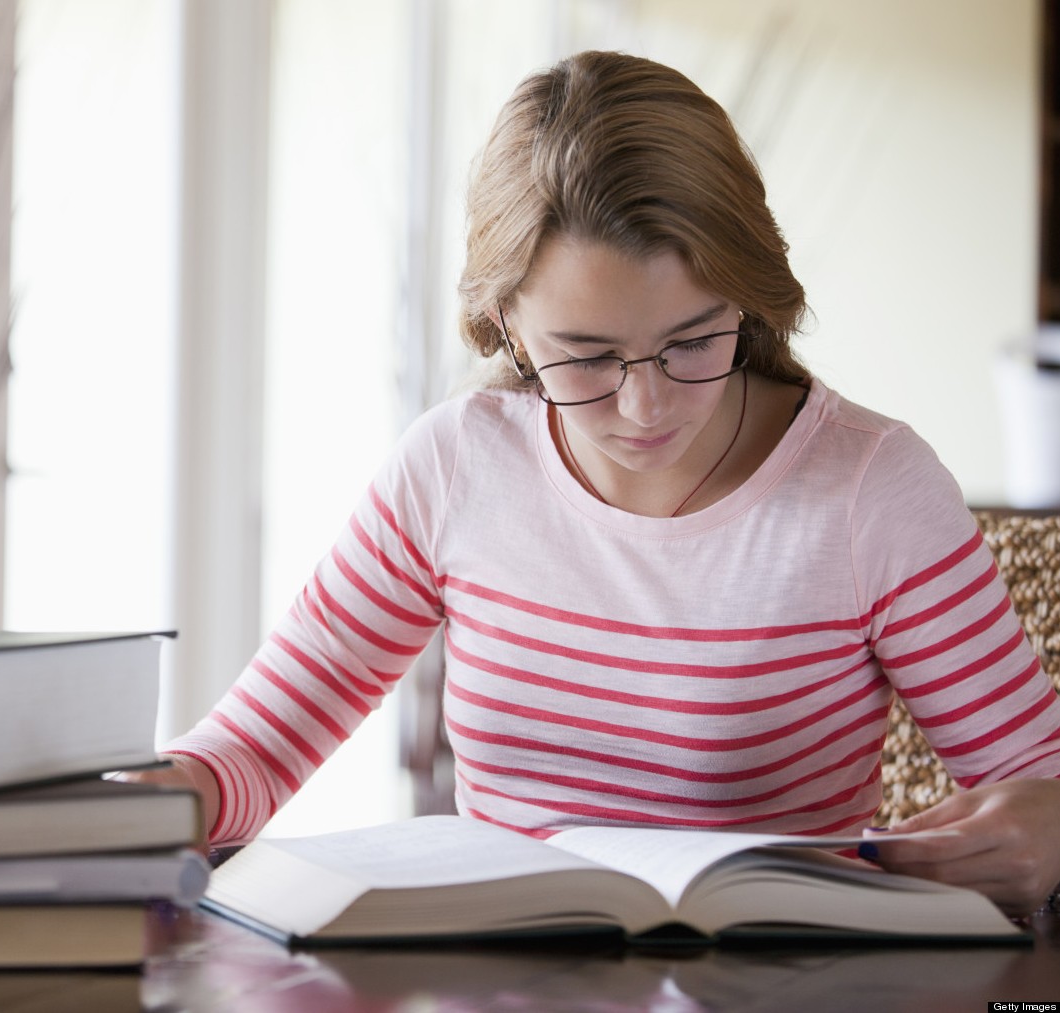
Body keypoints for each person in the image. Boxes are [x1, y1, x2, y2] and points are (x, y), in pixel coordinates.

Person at [133, 50, 1060, 917]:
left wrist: (1047, 834)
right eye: (585, 357)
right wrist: (157, 797)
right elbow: (250, 751)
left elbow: (1039, 781)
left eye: (692, 341)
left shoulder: (867, 488)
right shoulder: (456, 465)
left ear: (747, 292)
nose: (645, 405)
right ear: (503, 321)